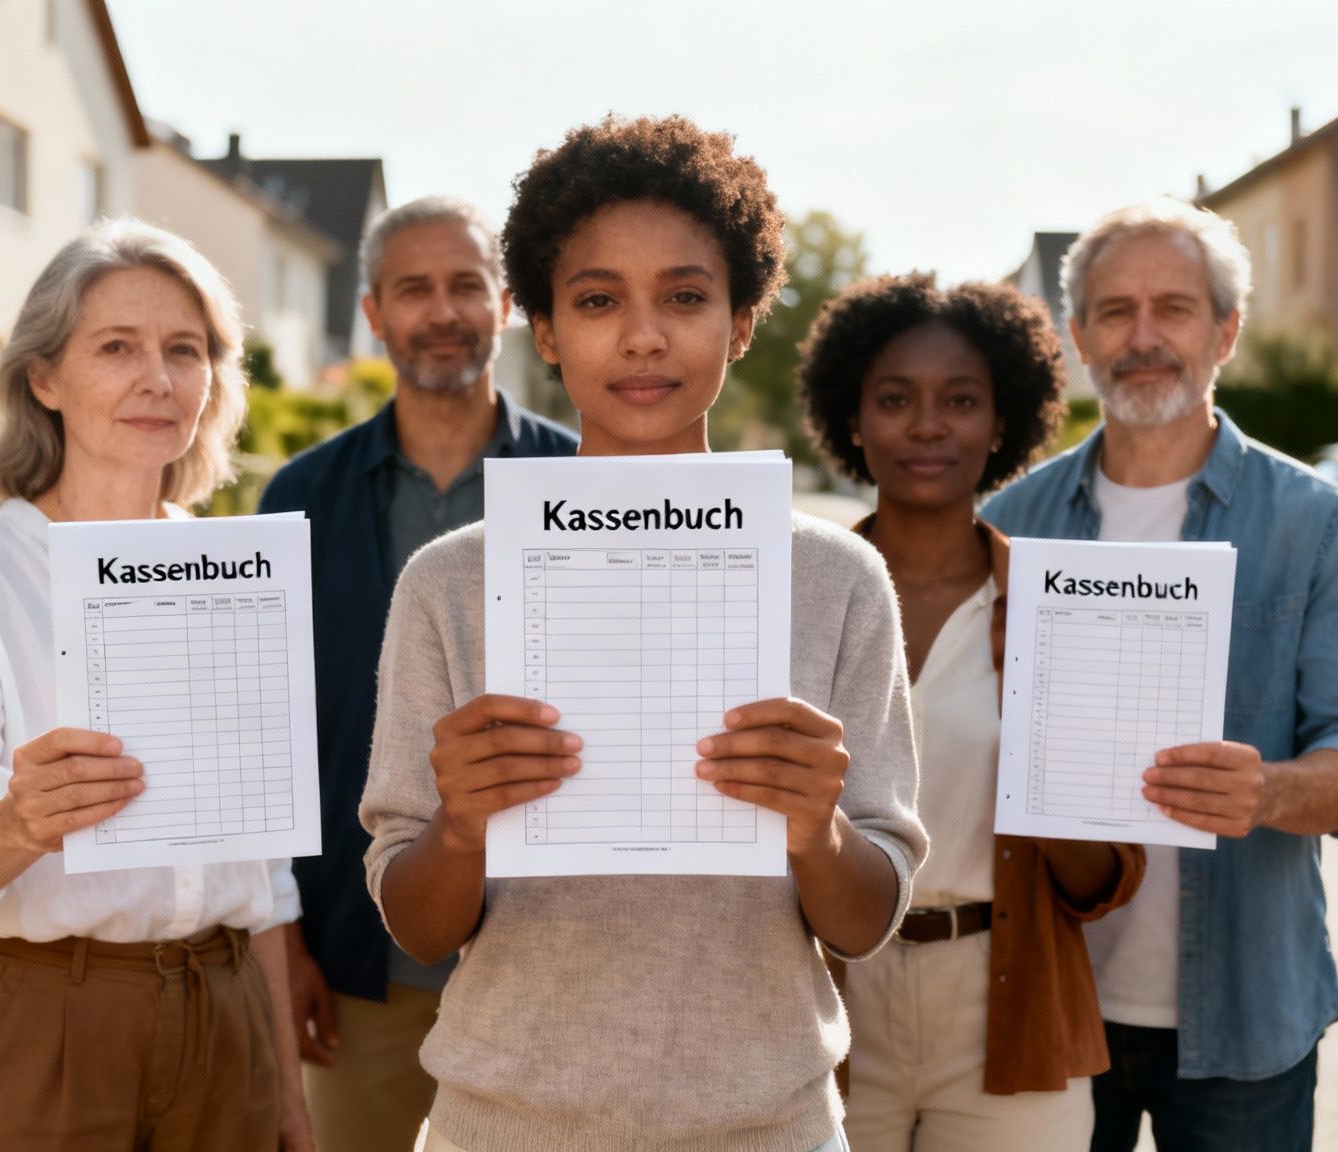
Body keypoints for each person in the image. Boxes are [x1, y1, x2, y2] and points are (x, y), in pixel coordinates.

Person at [359, 116, 926, 1152]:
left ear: (742, 319)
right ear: (539, 325)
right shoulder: (449, 582)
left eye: (683, 296)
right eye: (595, 300)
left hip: (766, 1124)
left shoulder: (837, 577)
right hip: (501, 1123)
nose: (642, 336)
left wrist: (817, 828)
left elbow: (866, 915)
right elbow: (413, 919)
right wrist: (456, 826)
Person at [979, 200, 1338, 1152]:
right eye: (1115, 311)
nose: (1143, 338)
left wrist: (1269, 790)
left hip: (1247, 1015)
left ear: (1226, 330)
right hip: (1054, 1004)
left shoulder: (1321, 525)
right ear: (1079, 335)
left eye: (1172, 308)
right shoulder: (1009, 524)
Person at [0, 218, 312, 1151]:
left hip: (226, 1018)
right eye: (117, 347)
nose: (157, 379)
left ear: (214, 381)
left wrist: (286, 1093)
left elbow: (267, 875)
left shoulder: (241, 574)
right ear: (45, 378)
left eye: (185, 350)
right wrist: (18, 820)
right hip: (41, 1023)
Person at [796, 272, 1147, 1151]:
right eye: (894, 399)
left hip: (1007, 996)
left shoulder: (1061, 606)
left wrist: (1052, 770)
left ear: (1002, 423)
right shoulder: (796, 598)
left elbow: (1104, 878)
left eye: (960, 400)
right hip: (821, 996)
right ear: (852, 417)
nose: (926, 425)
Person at [255, 196, 576, 1150]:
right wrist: (285, 946)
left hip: (548, 957)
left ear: (506, 303)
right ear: (373, 315)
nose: (442, 311)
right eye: (414, 289)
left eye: (465, 285)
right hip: (359, 953)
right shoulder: (298, 499)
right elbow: (267, 741)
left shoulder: (584, 482)